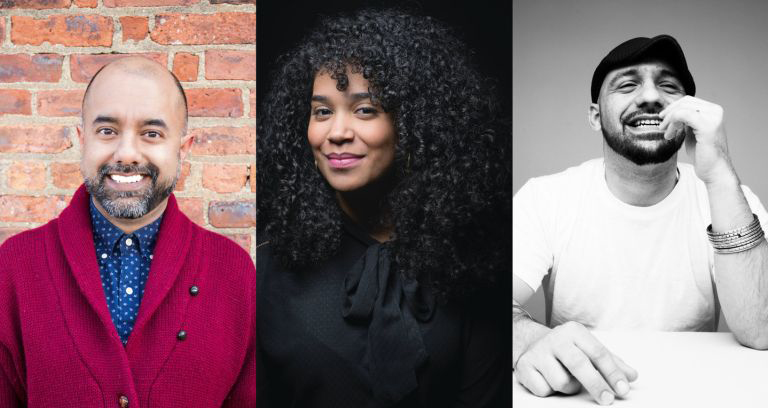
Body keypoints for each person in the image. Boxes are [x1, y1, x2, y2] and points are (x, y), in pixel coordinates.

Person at [257, 8, 511, 408]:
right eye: (322, 111)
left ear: (414, 123)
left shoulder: (471, 265)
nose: (337, 133)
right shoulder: (266, 267)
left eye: (365, 109)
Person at [513, 34, 768, 405]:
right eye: (628, 84)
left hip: (694, 395)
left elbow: (762, 329)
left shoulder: (729, 197)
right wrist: (526, 338)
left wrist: (719, 175)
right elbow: (485, 311)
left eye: (668, 86)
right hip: (580, 397)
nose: (651, 97)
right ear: (595, 116)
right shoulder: (545, 198)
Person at [0, 57, 255, 407]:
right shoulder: (14, 267)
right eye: (107, 131)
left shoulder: (234, 273)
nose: (127, 153)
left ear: (183, 148)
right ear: (81, 139)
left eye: (151, 134)